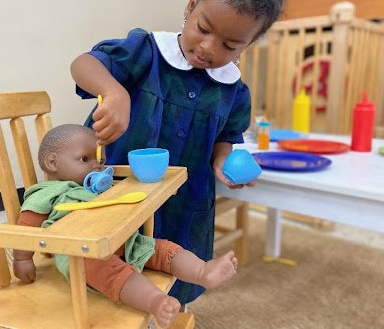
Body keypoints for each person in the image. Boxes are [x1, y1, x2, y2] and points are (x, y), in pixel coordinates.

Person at [70, 0, 299, 305]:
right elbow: (84, 64)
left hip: (184, 201)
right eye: (203, 29)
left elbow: (227, 135)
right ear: (191, 6)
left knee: (173, 274)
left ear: (249, 43)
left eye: (230, 44)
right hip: (121, 190)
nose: (208, 47)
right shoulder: (146, 52)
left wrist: (223, 160)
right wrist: (114, 92)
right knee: (108, 268)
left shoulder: (234, 91)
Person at [13, 124, 238, 328]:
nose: (97, 166)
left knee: (161, 248)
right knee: (109, 270)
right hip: (81, 254)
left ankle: (202, 271)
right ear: (52, 163)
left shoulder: (96, 187)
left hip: (124, 241)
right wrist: (22, 259)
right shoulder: (48, 193)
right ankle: (155, 301)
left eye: (100, 160)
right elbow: (26, 227)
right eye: (84, 159)